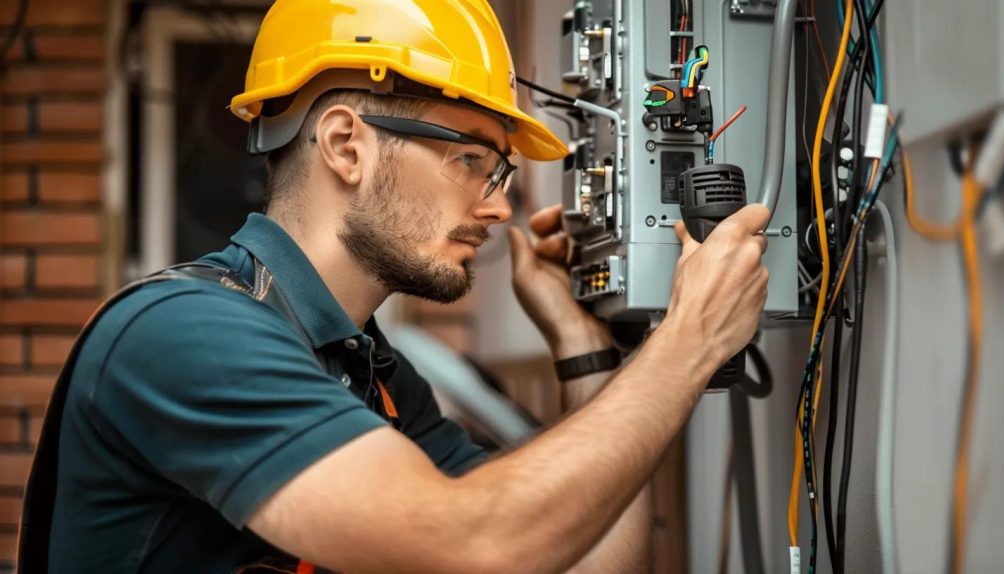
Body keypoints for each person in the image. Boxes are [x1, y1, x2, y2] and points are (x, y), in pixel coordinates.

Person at [30, 1, 769, 572]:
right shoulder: (182, 335)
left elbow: (588, 563)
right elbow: (472, 542)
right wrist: (690, 339)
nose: (498, 205)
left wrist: (581, 346)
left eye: (501, 172)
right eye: (474, 159)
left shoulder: (373, 377)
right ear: (348, 145)